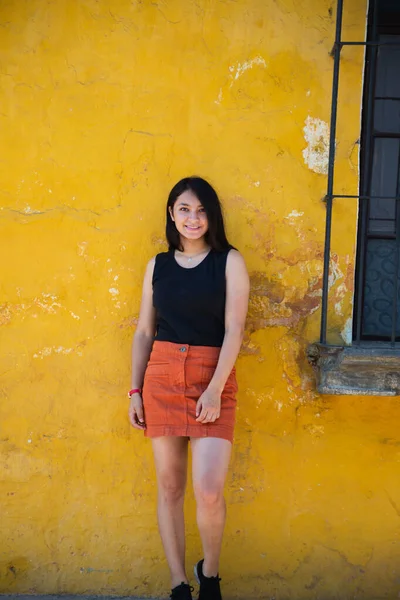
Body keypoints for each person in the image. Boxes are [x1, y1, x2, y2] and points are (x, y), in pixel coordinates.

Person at [128, 176, 249, 600]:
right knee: (171, 486)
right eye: (184, 209)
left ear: (211, 215)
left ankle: (209, 574)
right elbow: (144, 332)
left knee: (209, 489)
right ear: (171, 213)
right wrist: (134, 390)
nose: (192, 218)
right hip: (160, 374)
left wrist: (215, 388)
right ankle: (179, 582)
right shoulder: (157, 266)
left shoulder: (229, 261)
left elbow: (235, 328)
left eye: (201, 210)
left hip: (212, 375)